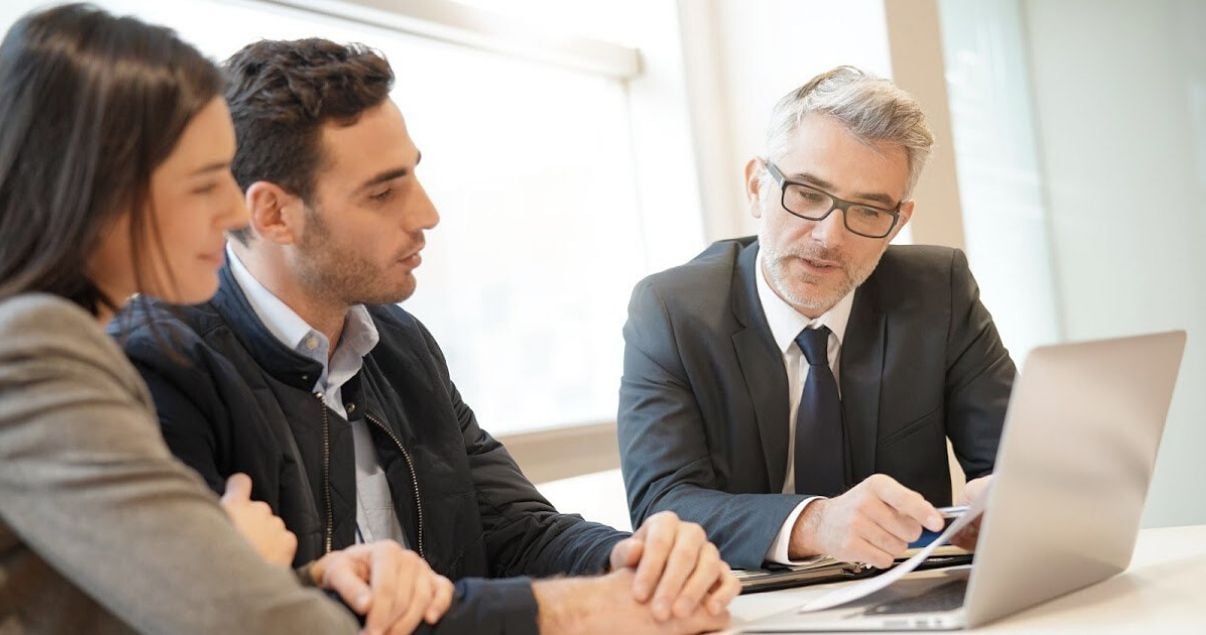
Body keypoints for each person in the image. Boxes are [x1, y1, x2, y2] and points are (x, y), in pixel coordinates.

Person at [118, 37, 739, 634]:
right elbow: (263, 618)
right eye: (384, 192)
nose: (426, 215)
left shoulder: (399, 342)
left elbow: (519, 531)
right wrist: (581, 613)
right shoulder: (160, 365)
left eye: (413, 176)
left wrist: (635, 561)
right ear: (274, 213)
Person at [0, 4, 456, 633]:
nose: (232, 209)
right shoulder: (34, 349)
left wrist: (299, 578)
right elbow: (238, 619)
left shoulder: (70, 347)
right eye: (205, 180)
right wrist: (255, 575)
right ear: (101, 188)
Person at [617, 66, 1015, 572]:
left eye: (869, 211)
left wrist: (1005, 500)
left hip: (911, 592)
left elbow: (1016, 463)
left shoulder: (941, 291)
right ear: (757, 186)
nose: (829, 237)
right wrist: (815, 523)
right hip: (747, 605)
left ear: (899, 223)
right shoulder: (671, 311)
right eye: (807, 194)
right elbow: (662, 506)